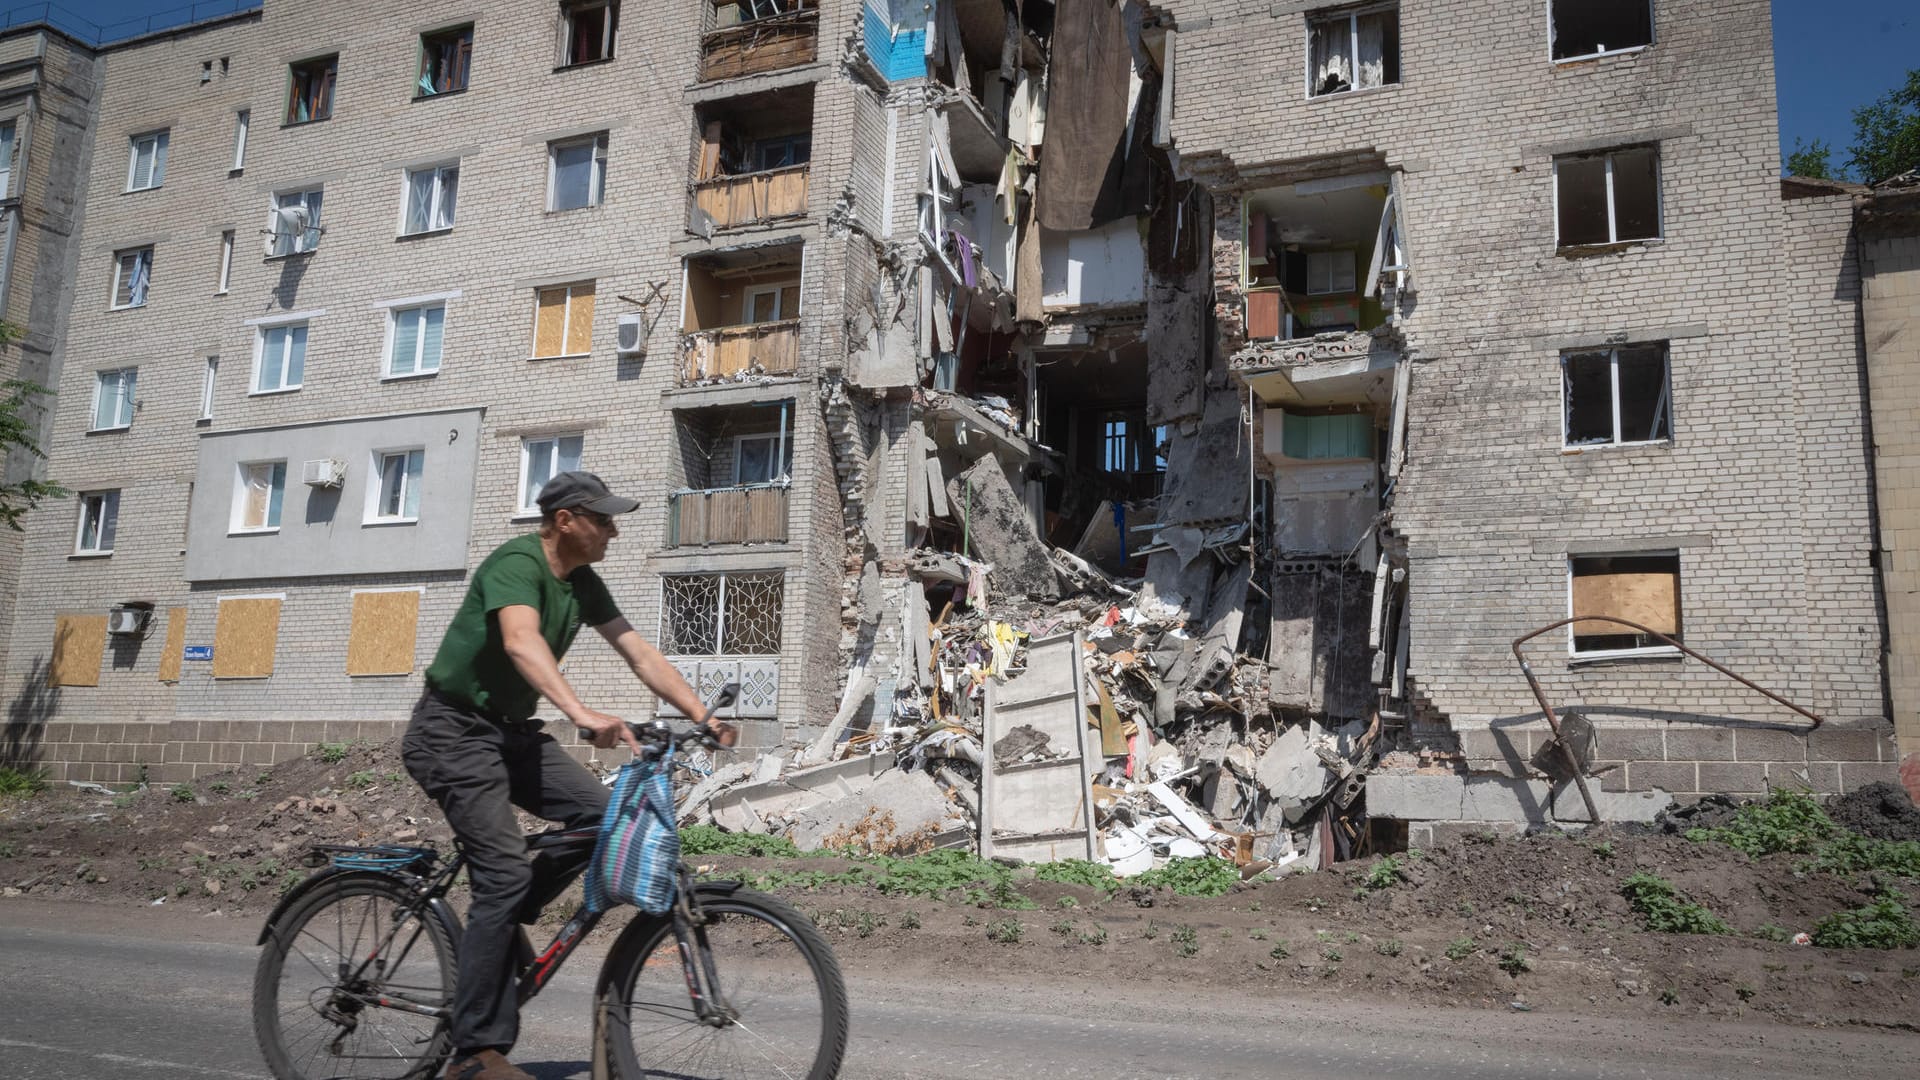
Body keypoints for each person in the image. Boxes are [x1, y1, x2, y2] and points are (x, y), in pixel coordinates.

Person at [402, 471, 726, 1080]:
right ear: (565, 520)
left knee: (606, 817)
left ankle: (501, 922)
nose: (614, 529)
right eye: (603, 519)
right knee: (500, 874)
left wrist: (703, 715)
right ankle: (474, 1054)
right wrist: (581, 714)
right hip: (451, 733)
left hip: (509, 734)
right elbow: (522, 642)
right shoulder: (515, 563)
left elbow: (639, 652)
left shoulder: (581, 583)